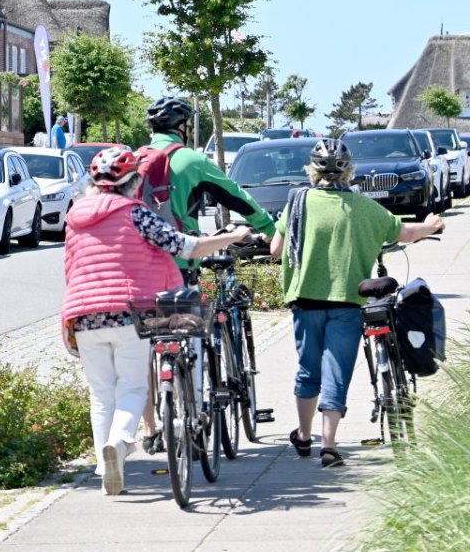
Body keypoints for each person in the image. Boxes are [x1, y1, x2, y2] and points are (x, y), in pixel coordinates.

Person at [63, 148, 253, 496]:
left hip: (85, 315)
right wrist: (234, 236)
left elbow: (71, 268)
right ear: (134, 181)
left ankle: (106, 467)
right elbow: (185, 246)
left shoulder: (74, 216)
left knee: (100, 393)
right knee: (132, 388)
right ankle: (119, 444)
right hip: (129, 312)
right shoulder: (135, 213)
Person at [270, 138, 444, 468]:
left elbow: (276, 250)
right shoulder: (364, 207)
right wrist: (432, 225)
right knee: (337, 372)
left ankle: (304, 436)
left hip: (305, 300)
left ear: (312, 171)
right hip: (349, 302)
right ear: (349, 171)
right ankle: (330, 445)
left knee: (309, 371)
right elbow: (403, 233)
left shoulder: (297, 203)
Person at [144, 97, 277, 277]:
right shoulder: (192, 160)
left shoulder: (136, 159)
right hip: (179, 262)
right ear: (182, 127)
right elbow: (235, 196)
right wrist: (271, 229)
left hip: (138, 262)